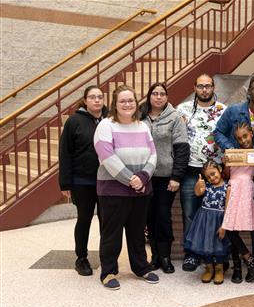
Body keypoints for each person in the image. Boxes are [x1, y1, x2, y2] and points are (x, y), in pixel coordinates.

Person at [94, 85, 158, 290]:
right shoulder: (105, 126)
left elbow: (153, 154)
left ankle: (141, 267)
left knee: (137, 231)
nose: (127, 104)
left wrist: (143, 176)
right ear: (114, 104)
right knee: (111, 233)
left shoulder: (142, 126)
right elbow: (106, 156)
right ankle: (109, 271)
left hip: (140, 189)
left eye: (131, 100)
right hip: (114, 190)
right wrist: (131, 179)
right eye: (122, 101)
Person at [214, 74, 254, 277]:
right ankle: (242, 263)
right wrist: (233, 151)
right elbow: (218, 133)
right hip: (235, 175)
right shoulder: (233, 111)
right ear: (248, 91)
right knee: (233, 222)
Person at [176, 74, 226, 272]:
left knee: (216, 215)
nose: (204, 90)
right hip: (190, 171)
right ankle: (191, 254)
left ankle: (216, 254)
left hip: (215, 174)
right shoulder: (183, 109)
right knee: (189, 214)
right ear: (194, 87)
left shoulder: (223, 110)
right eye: (200, 86)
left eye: (208, 86)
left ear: (213, 87)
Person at [140, 82, 189, 274]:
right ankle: (154, 257)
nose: (158, 97)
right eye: (155, 94)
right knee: (149, 217)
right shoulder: (140, 117)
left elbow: (182, 149)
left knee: (162, 216)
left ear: (167, 97)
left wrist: (176, 176)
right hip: (144, 177)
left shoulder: (175, 118)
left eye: (162, 94)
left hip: (166, 177)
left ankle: (165, 256)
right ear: (149, 96)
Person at [59, 85, 107, 276]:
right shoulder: (74, 121)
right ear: (85, 100)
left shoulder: (110, 120)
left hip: (107, 181)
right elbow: (65, 153)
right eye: (92, 97)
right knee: (84, 219)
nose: (97, 100)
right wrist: (65, 183)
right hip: (82, 181)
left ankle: (107, 257)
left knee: (107, 221)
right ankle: (81, 258)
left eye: (100, 97)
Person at [221, 122, 254, 283]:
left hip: (248, 189)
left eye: (245, 136)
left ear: (251, 133)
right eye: (239, 138)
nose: (243, 140)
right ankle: (248, 257)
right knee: (230, 228)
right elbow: (226, 174)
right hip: (233, 188)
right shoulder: (233, 152)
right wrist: (225, 163)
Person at [184, 160, 230, 285]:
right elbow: (197, 193)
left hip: (219, 220)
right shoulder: (207, 186)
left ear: (220, 170)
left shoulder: (227, 186)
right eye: (208, 176)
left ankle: (219, 269)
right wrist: (198, 184)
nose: (212, 178)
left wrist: (224, 225)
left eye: (214, 173)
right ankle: (209, 268)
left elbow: (227, 207)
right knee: (205, 243)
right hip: (204, 220)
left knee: (219, 244)